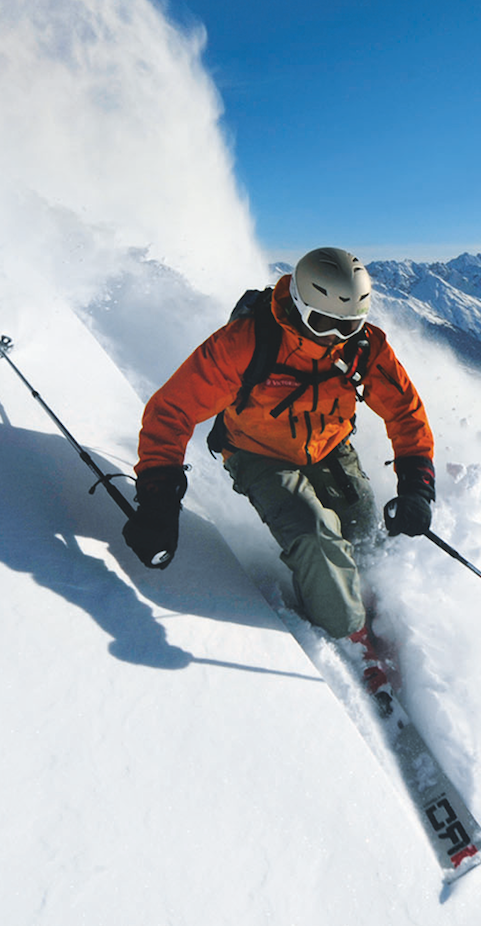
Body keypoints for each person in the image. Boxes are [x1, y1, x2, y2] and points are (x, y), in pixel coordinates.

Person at [122, 247, 435, 642]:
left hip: (329, 447)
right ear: (301, 307)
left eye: (350, 325)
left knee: (362, 530)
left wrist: (417, 487)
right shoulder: (245, 343)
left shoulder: (362, 346)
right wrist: (157, 499)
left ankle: (361, 597)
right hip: (259, 454)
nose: (336, 337)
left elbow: (405, 411)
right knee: (315, 535)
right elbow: (171, 411)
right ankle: (345, 634)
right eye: (323, 323)